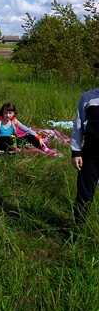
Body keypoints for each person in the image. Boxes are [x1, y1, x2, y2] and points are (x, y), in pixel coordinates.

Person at [71, 80, 99, 224]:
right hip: (91, 153)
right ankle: (78, 228)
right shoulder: (88, 97)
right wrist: (76, 152)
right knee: (84, 193)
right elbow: (78, 126)